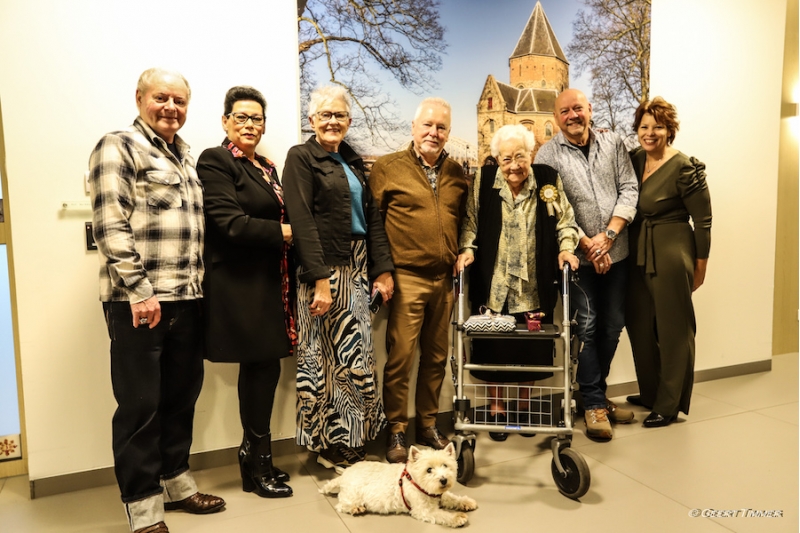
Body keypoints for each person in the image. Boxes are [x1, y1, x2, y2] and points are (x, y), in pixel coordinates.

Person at [89, 68, 224, 533]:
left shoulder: (186, 157)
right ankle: (144, 511)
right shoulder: (118, 145)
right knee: (140, 408)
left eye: (179, 101)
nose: (171, 108)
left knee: (181, 400)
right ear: (140, 98)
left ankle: (177, 486)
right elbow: (110, 223)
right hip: (139, 302)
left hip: (187, 299)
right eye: (161, 98)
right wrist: (139, 291)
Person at [282, 85, 394, 474]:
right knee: (323, 361)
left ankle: (352, 438)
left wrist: (383, 269)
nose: (332, 121)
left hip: (357, 266)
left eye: (339, 115)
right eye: (325, 114)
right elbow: (301, 221)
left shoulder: (351, 159)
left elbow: (372, 218)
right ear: (312, 120)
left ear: (349, 120)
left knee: (356, 356)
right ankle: (329, 443)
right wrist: (320, 279)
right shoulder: (301, 157)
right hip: (323, 268)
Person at [197, 86, 294, 497]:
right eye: (241, 117)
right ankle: (257, 464)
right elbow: (229, 223)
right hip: (239, 286)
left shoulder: (266, 167)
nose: (250, 125)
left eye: (257, 119)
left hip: (269, 282)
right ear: (226, 121)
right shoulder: (216, 160)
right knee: (260, 369)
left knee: (265, 370)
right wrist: (287, 232)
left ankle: (255, 458)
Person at [456, 125, 579, 441]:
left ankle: (524, 405)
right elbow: (470, 222)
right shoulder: (484, 181)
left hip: (534, 284)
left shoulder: (547, 179)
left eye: (520, 156)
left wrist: (566, 248)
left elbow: (565, 221)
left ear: (531, 154)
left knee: (530, 348)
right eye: (506, 158)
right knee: (493, 347)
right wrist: (467, 249)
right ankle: (496, 407)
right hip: (494, 284)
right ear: (497, 158)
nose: (514, 165)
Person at [534, 88, 638, 441]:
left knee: (613, 326)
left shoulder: (613, 143)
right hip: (577, 260)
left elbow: (629, 189)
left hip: (617, 252)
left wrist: (608, 236)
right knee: (589, 327)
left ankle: (595, 394)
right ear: (556, 118)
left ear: (589, 109)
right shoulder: (547, 155)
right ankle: (593, 403)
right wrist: (588, 244)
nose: (572, 116)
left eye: (577, 108)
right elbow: (552, 206)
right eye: (564, 112)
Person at [369, 97, 468, 463]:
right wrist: (382, 270)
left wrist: (464, 251)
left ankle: (427, 425)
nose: (433, 132)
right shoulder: (388, 167)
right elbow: (374, 224)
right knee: (401, 358)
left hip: (444, 280)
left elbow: (464, 220)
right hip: (406, 277)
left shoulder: (456, 173)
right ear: (413, 127)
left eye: (441, 127)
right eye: (427, 125)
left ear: (448, 133)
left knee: (437, 358)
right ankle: (396, 429)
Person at [625, 97, 712, 427]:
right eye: (644, 126)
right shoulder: (634, 159)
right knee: (639, 324)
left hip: (672, 250)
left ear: (669, 130)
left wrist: (701, 266)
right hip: (637, 251)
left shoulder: (685, 167)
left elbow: (703, 221)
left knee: (674, 329)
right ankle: (651, 392)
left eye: (658, 127)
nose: (650, 133)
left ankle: (669, 403)